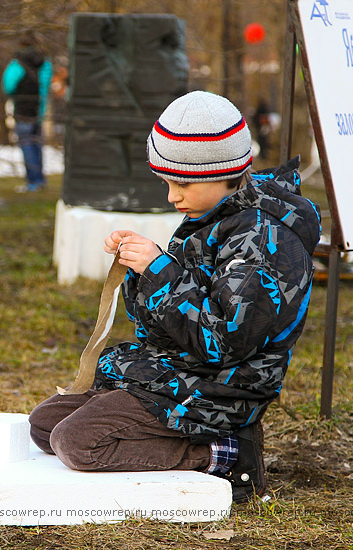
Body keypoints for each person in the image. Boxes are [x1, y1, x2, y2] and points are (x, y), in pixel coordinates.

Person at [29, 91, 321, 503]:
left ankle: (225, 454)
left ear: (225, 173)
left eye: (181, 183)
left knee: (78, 443)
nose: (172, 196)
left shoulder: (262, 240)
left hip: (222, 386)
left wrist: (159, 271)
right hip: (177, 371)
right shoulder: (210, 216)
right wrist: (140, 271)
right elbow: (164, 321)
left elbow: (223, 343)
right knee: (44, 425)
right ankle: (158, 426)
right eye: (166, 182)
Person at [2, 40, 52, 192]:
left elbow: (8, 85)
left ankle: (33, 181)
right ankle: (40, 179)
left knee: (27, 145)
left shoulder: (18, 64)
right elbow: (46, 86)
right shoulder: (45, 63)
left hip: (23, 110)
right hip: (39, 110)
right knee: (36, 145)